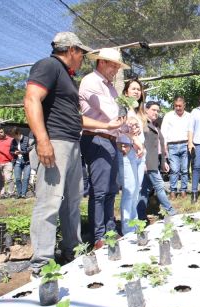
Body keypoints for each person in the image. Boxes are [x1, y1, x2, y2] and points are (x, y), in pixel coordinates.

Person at [24, 32, 123, 275]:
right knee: (49, 203)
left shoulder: (67, 78)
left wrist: (108, 126)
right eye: (81, 53)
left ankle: (72, 250)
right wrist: (43, 139)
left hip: (71, 143)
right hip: (55, 143)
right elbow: (31, 100)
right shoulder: (48, 66)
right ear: (71, 50)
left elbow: (77, 118)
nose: (82, 59)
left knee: (71, 201)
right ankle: (42, 264)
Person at [79, 47, 130, 248]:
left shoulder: (110, 87)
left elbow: (118, 118)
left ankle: (109, 229)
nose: (116, 69)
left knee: (110, 189)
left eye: (118, 66)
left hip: (109, 139)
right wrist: (126, 125)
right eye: (113, 65)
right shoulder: (91, 82)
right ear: (101, 62)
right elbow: (111, 114)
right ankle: (98, 236)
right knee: (99, 191)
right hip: (96, 138)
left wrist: (127, 127)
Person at [137, 101, 178, 218]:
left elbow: (161, 145)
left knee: (144, 189)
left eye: (157, 111)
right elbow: (141, 143)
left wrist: (164, 161)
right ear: (146, 110)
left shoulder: (155, 125)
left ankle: (140, 215)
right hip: (148, 161)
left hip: (156, 160)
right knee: (159, 185)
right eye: (153, 110)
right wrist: (143, 161)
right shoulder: (143, 125)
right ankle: (170, 211)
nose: (156, 112)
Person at [117, 79, 146, 235]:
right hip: (127, 152)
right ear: (126, 91)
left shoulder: (138, 111)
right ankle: (127, 230)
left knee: (136, 191)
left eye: (138, 89)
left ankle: (134, 225)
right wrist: (125, 143)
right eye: (133, 89)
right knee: (129, 190)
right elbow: (117, 129)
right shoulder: (122, 108)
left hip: (140, 154)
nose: (136, 91)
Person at [161, 96, 191, 200]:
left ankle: (183, 190)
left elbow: (191, 131)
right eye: (176, 106)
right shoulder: (168, 116)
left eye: (180, 106)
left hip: (185, 144)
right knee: (174, 170)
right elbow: (163, 132)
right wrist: (164, 146)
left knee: (184, 169)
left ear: (184, 105)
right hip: (172, 145)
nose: (178, 108)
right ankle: (173, 191)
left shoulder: (189, 116)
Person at [0, 126, 14, 198]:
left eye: (1, 132)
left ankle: (11, 193)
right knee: (0, 179)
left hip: (8, 162)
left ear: (4, 132)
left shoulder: (11, 140)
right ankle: (2, 193)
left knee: (9, 178)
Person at [10, 128, 31, 198]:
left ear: (18, 133)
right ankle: (19, 193)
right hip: (17, 161)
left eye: (14, 135)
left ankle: (23, 194)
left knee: (26, 178)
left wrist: (22, 152)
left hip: (27, 162)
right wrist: (14, 152)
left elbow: (30, 148)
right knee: (17, 178)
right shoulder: (13, 141)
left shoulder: (27, 139)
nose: (13, 137)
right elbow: (10, 150)